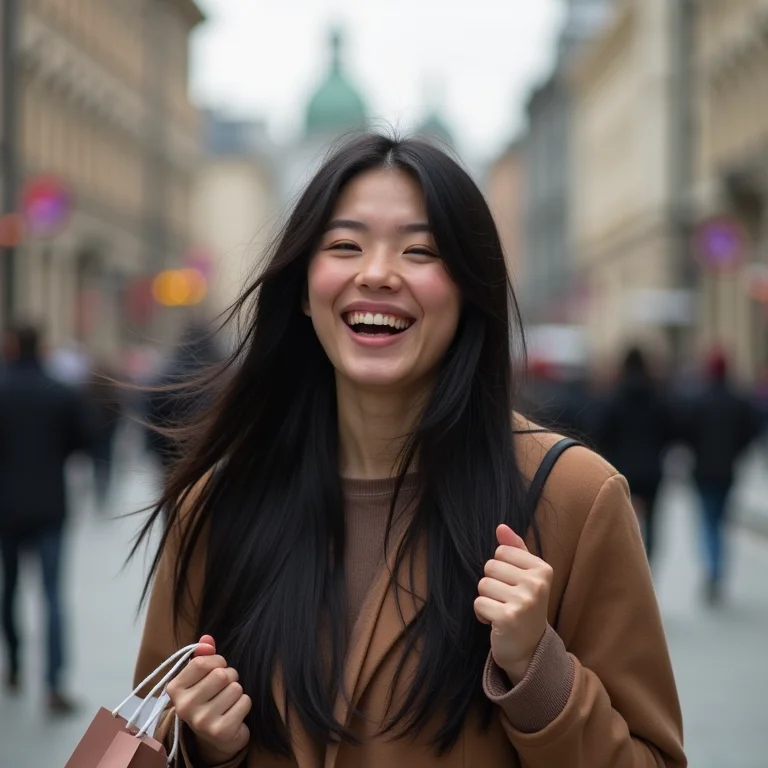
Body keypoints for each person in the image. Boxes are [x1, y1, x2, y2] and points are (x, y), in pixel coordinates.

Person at [132, 135, 685, 768]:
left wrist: (540, 673)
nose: (376, 273)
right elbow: (150, 732)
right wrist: (204, 746)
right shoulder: (218, 500)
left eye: (420, 251)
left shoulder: (575, 497)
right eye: (345, 246)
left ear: (469, 290)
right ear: (304, 289)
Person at [0, 325, 93, 713]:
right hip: (50, 506)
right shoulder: (61, 391)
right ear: (41, 348)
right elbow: (83, 440)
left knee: (9, 588)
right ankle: (54, 683)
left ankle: (15, 663)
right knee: (52, 595)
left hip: (6, 507)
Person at [682, 350, 760, 604]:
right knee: (720, 520)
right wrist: (735, 453)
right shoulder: (739, 401)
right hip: (727, 470)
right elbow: (750, 432)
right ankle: (717, 569)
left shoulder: (699, 401)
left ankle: (712, 568)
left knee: (708, 521)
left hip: (703, 470)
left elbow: (687, 434)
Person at [593, 347, 678, 563]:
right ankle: (648, 563)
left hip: (623, 469)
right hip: (652, 469)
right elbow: (670, 430)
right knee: (652, 521)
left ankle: (629, 564)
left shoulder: (615, 396)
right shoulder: (657, 396)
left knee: (624, 520)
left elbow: (603, 433)